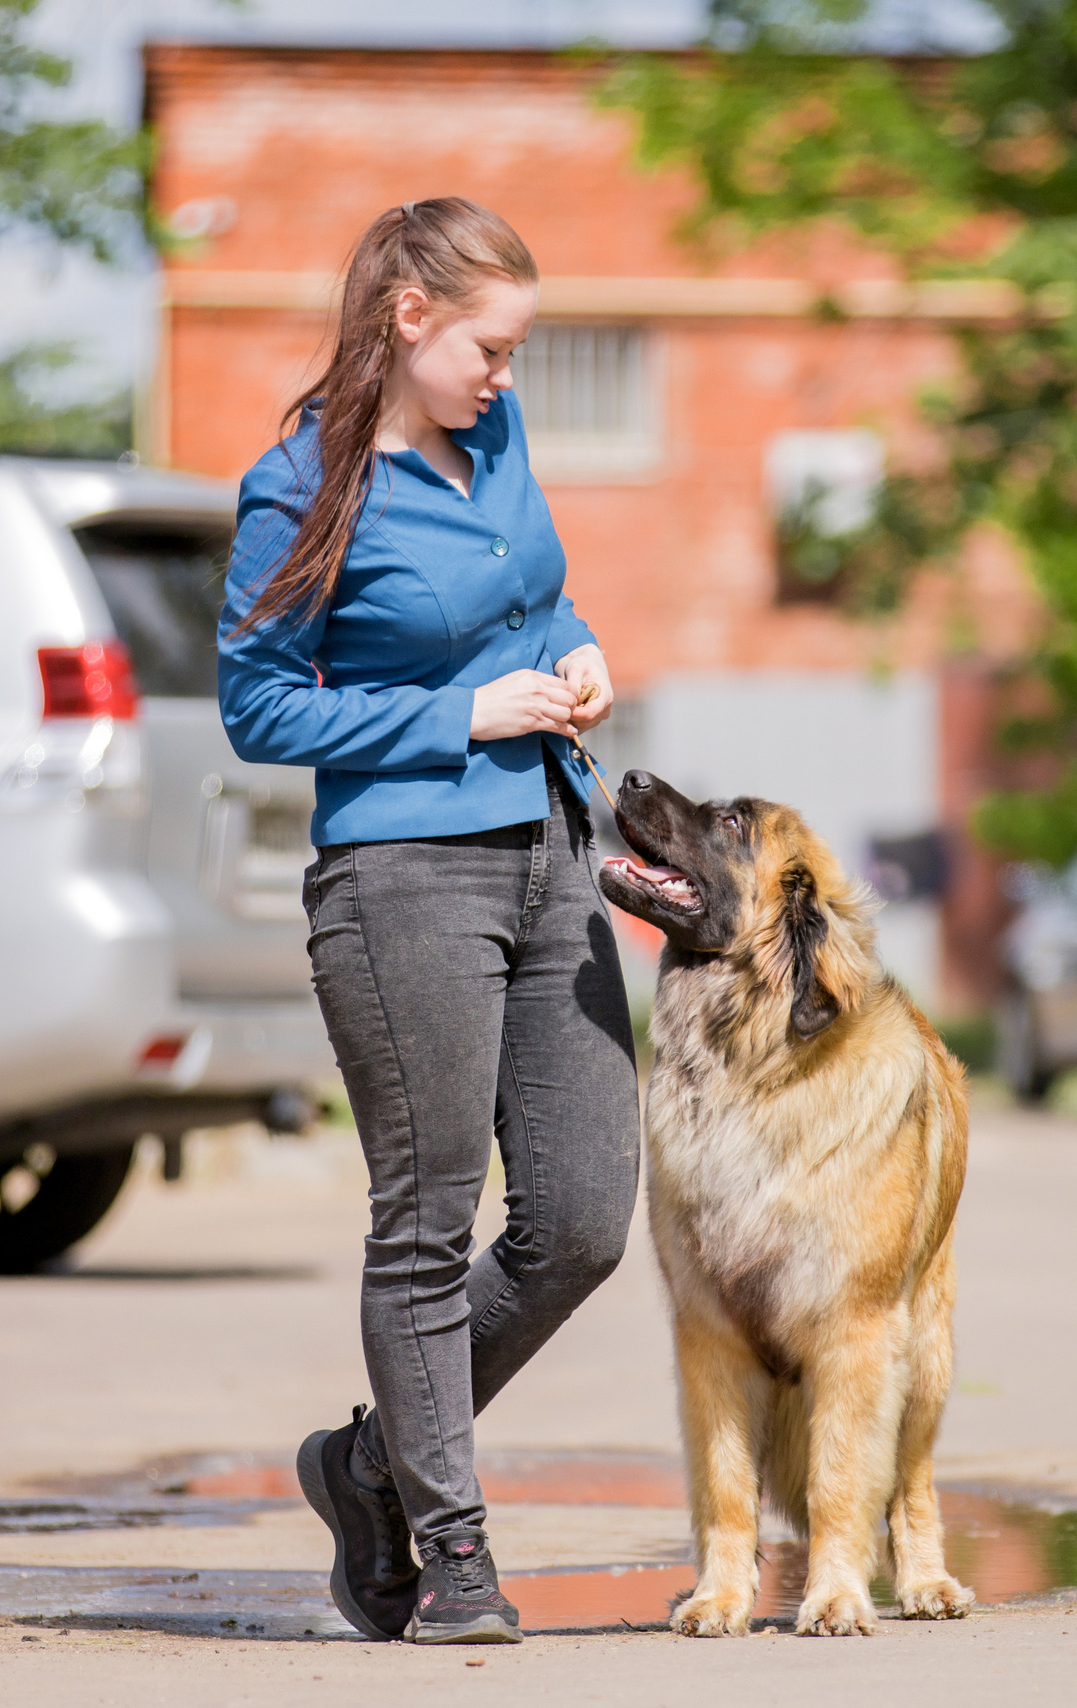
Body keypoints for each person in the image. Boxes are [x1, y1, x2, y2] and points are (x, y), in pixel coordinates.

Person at [215, 198, 640, 1643]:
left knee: (582, 1219)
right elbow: (260, 708)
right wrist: (456, 714)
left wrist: (571, 647)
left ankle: (366, 1467)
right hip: (404, 883)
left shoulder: (499, 444)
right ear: (411, 320)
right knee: (426, 1224)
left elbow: (532, 592)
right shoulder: (303, 485)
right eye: (494, 348)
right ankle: (450, 1552)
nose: (507, 379)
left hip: (555, 853)